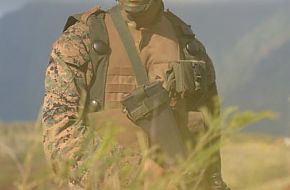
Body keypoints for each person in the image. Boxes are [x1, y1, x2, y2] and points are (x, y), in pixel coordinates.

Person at [42, 0, 230, 189]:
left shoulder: (191, 49)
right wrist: (136, 172)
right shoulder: (81, 41)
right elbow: (59, 136)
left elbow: (208, 140)